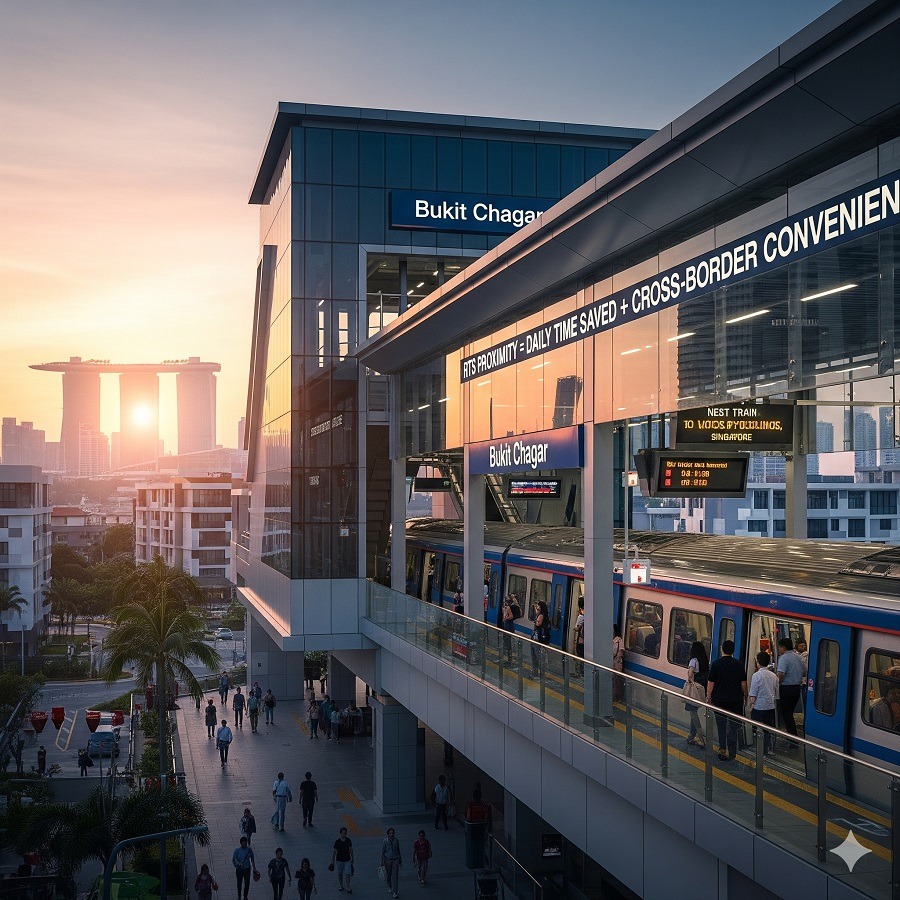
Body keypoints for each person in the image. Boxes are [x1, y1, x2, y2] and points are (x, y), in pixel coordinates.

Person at [706, 640, 747, 762]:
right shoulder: (739, 664)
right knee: (734, 726)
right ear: (733, 651)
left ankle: (722, 749)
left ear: (721, 649)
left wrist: (708, 697)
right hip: (735, 700)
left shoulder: (716, 664)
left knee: (721, 725)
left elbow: (710, 682)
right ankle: (733, 751)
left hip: (719, 700)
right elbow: (743, 684)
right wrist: (745, 695)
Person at [749, 650, 779, 755]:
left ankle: (758, 749)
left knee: (756, 728)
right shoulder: (774, 676)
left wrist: (750, 705)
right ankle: (766, 750)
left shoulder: (756, 676)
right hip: (770, 706)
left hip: (758, 707)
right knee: (767, 730)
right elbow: (777, 693)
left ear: (758, 663)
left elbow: (753, 694)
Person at [776, 638, 804, 747]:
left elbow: (781, 674)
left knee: (787, 715)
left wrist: (777, 682)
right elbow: (804, 670)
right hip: (796, 689)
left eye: (779, 647)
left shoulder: (783, 658)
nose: (779, 649)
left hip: (786, 689)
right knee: (790, 714)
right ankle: (792, 737)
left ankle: (792, 740)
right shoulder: (799, 657)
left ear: (783, 647)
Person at [685, 640, 709, 749]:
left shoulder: (693, 661)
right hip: (701, 690)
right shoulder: (704, 660)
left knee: (693, 714)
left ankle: (701, 738)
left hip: (693, 691)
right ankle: (691, 735)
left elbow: (690, 674)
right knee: (693, 712)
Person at [380, 827, 402, 899]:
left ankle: (395, 892)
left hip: (395, 860)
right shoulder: (385, 841)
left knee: (395, 876)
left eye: (392, 833)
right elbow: (383, 852)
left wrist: (400, 859)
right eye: (390, 833)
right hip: (387, 860)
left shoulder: (396, 840)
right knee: (388, 875)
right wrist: (382, 862)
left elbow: (398, 850)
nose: (391, 834)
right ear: (388, 834)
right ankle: (390, 886)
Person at [331, 826, 353, 893]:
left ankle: (348, 887)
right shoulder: (337, 842)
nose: (344, 834)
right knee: (340, 874)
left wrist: (352, 857)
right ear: (340, 833)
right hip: (339, 860)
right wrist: (332, 861)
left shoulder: (349, 841)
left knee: (348, 873)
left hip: (347, 860)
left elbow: (351, 850)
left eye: (345, 833)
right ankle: (340, 885)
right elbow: (334, 852)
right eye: (343, 833)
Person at [530, 601, 550, 673]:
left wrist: (536, 621)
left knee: (536, 655)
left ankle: (538, 672)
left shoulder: (541, 615)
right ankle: (536, 670)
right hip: (537, 637)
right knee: (536, 655)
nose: (537, 607)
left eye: (538, 606)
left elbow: (538, 624)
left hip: (537, 638)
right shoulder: (542, 614)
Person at [612, 625, 625, 702]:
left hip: (616, 663)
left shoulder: (619, 641)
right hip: (612, 662)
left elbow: (621, 652)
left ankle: (617, 696)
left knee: (616, 680)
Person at [574, 598, 585, 676]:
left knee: (580, 654)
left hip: (581, 639)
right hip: (586, 640)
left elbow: (576, 629)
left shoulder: (581, 616)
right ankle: (581, 671)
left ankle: (579, 672)